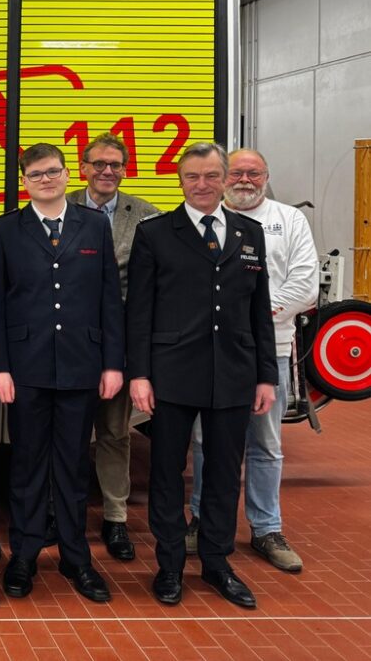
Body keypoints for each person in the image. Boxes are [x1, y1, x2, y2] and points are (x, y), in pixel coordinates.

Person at [127, 142, 278, 609]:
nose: (203, 184)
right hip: (171, 373)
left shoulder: (249, 232)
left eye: (212, 176)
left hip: (234, 372)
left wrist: (266, 376)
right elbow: (139, 312)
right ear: (180, 180)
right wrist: (140, 375)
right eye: (193, 177)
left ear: (226, 178)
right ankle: (170, 564)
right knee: (169, 474)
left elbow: (259, 313)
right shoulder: (155, 233)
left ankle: (216, 561)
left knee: (223, 474)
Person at [0, 144, 123, 603]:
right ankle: (23, 554)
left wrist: (112, 363)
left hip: (82, 366)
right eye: (36, 174)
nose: (46, 179)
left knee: (72, 465)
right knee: (26, 465)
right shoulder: (6, 230)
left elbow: (109, 299)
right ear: (25, 181)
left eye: (54, 171)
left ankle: (75, 556)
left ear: (69, 175)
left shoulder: (94, 226)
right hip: (25, 368)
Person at [186, 148, 317, 573]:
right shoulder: (205, 222)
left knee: (266, 443)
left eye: (253, 173)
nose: (245, 180)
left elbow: (305, 286)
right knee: (207, 443)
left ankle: (266, 528)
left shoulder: (290, 220)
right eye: (237, 173)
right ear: (224, 177)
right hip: (211, 353)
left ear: (266, 176)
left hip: (270, 352)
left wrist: (252, 317)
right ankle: (202, 521)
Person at [66, 133, 159, 563]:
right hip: (64, 343)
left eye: (115, 165)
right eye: (99, 164)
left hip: (116, 346)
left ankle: (116, 518)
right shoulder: (55, 207)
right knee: (62, 434)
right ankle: (59, 511)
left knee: (115, 433)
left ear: (125, 169)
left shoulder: (146, 217)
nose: (107, 171)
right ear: (82, 168)